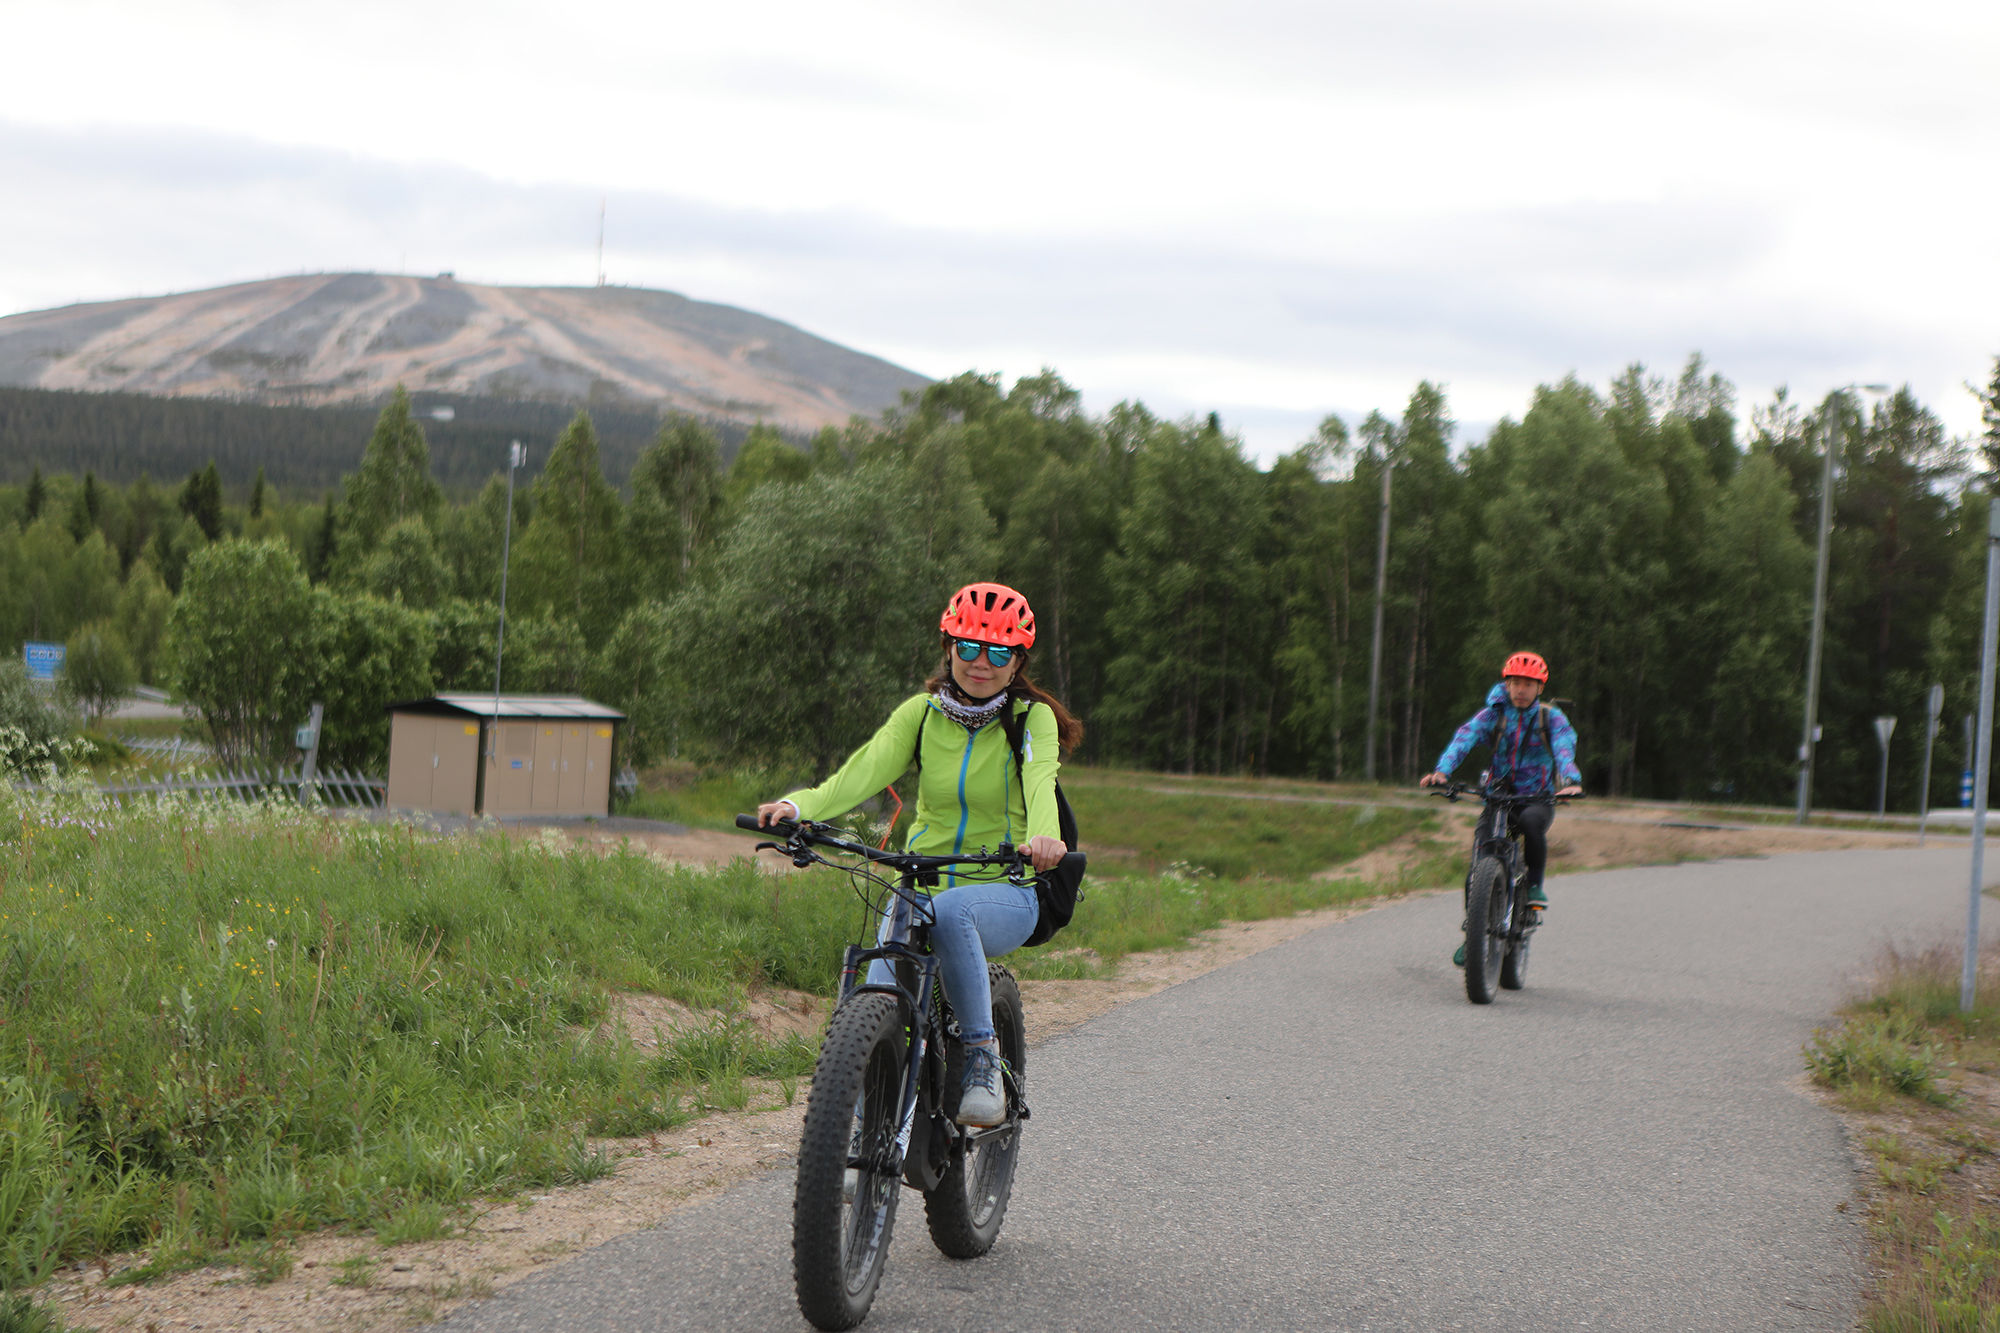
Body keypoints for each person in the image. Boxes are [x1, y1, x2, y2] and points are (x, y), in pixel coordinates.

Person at [757, 581, 1081, 1127]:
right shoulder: (922, 715)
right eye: (969, 647)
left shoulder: (1031, 720)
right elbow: (859, 774)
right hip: (921, 881)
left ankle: (981, 1057)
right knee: (876, 987)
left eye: (999, 651)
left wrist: (1045, 843)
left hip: (1004, 887)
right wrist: (798, 805)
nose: (982, 662)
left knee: (954, 913)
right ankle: (849, 1131)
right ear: (949, 647)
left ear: (1017, 659)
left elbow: (1040, 783)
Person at [1420, 651, 1582, 966]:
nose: (1521, 689)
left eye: (1528, 684)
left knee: (1533, 825)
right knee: (1479, 864)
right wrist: (1442, 772)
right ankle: (1475, 933)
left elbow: (1564, 748)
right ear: (1506, 684)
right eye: (1515, 682)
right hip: (1498, 795)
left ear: (1540, 688)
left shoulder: (1551, 719)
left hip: (1537, 796)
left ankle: (1534, 886)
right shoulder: (1493, 715)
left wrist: (1572, 780)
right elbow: (1463, 739)